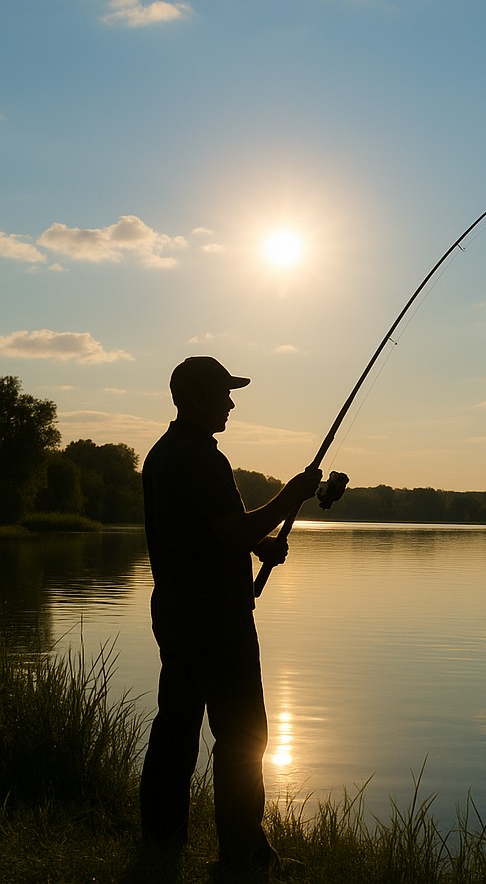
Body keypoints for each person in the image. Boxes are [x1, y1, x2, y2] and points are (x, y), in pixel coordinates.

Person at [139, 356, 320, 875]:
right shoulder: (200, 457)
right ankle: (243, 856)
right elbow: (229, 532)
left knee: (174, 731)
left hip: (176, 616)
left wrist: (259, 544)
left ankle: (160, 840)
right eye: (223, 393)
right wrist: (292, 496)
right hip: (218, 622)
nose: (231, 402)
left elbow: (206, 531)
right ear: (196, 398)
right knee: (243, 737)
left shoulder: (163, 454)